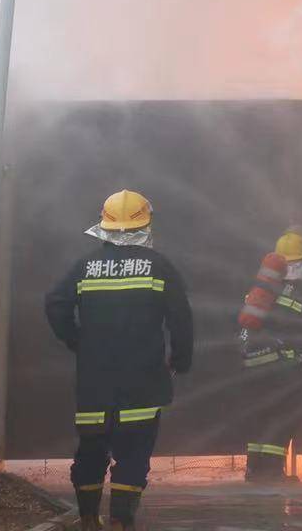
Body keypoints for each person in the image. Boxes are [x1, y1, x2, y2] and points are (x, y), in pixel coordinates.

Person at [44, 190, 194, 531]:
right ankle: (120, 523)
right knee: (133, 453)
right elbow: (181, 319)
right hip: (142, 380)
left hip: (94, 381)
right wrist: (180, 360)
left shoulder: (84, 266)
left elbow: (55, 303)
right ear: (146, 224)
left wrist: (76, 340)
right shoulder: (159, 266)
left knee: (92, 449)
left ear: (104, 225)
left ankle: (86, 519)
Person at [236, 227, 302, 480]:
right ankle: (273, 471)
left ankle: (254, 469)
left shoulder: (263, 288)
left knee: (261, 413)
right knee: (283, 415)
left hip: (254, 361)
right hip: (282, 363)